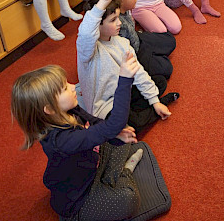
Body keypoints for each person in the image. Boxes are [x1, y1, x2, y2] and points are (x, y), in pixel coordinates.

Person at [11, 57, 144, 220]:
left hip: (91, 165)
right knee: (129, 200)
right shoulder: (62, 140)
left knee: (122, 139)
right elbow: (113, 125)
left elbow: (98, 124)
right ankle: (124, 172)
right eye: (64, 88)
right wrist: (124, 80)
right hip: (79, 197)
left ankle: (109, 180)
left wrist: (116, 134)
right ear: (50, 109)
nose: (73, 86)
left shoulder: (69, 110)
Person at [77, 0, 179, 133]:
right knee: (130, 124)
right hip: (105, 107)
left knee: (159, 82)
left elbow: (138, 72)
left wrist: (154, 101)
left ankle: (152, 107)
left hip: (123, 92)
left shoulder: (122, 42)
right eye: (112, 20)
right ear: (98, 24)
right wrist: (103, 1)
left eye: (118, 18)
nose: (119, 23)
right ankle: (145, 114)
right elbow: (86, 32)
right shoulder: (88, 50)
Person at [105, 0, 176, 79]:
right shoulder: (117, 24)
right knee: (166, 68)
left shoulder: (125, 8)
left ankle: (155, 54)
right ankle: (155, 55)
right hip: (134, 52)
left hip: (137, 38)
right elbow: (126, 55)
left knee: (170, 39)